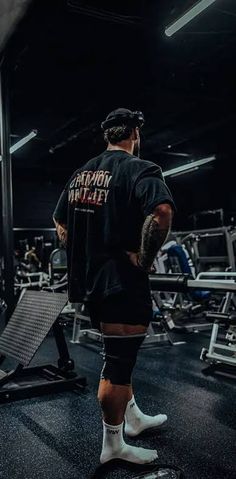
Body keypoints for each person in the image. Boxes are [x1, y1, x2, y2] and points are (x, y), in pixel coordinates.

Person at [53, 108, 175, 465]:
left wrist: (83, 253)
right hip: (122, 282)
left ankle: (132, 418)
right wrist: (145, 258)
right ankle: (113, 444)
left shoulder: (80, 175)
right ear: (134, 134)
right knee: (118, 366)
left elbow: (60, 221)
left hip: (91, 284)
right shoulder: (140, 169)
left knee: (119, 357)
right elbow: (162, 212)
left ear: (107, 135)